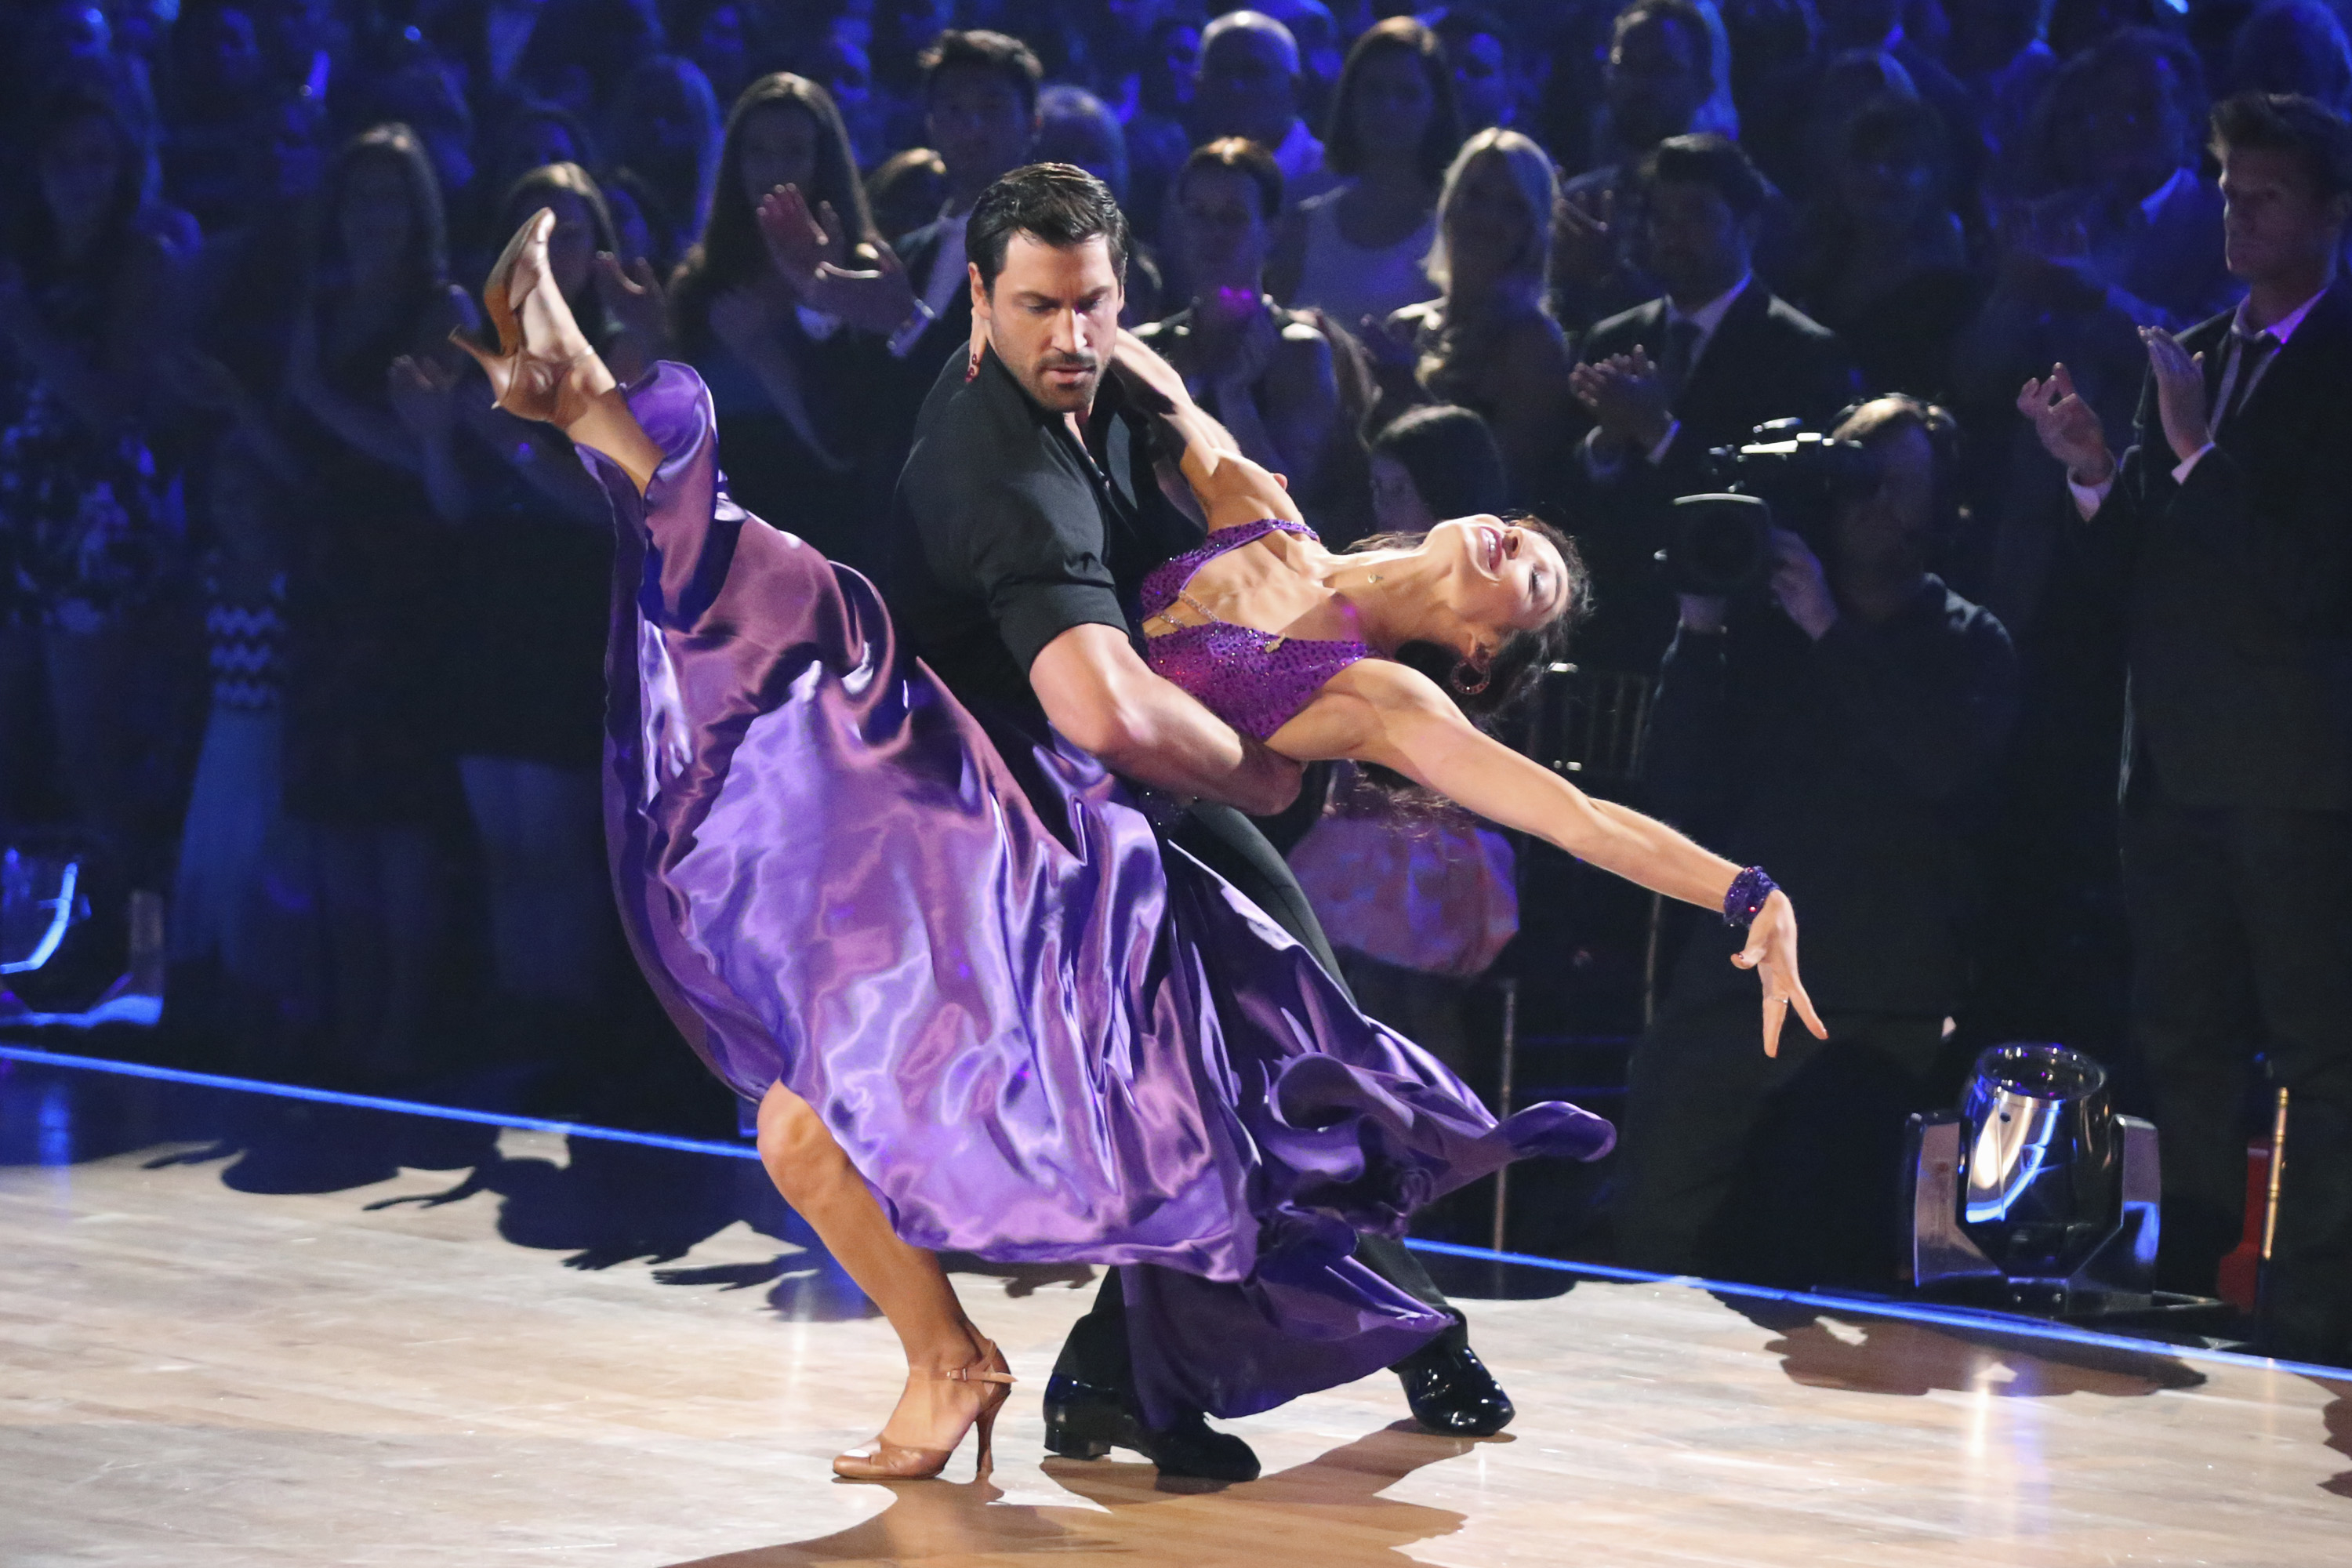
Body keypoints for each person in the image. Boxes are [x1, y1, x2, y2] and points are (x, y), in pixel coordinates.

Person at [450, 165, 1820, 1484]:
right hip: (986, 784)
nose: (1521, 552)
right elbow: (1149, 375)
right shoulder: (1264, 506)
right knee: (798, 1102)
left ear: (1479, 653)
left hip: (1072, 871)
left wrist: (1742, 894)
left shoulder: (1386, 697)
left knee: (809, 667)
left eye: (1534, 588)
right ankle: (952, 1361)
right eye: (1527, 535)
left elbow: (1571, 815)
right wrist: (1139, 378)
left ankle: (594, 411)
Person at [2015, 92, 2352, 1367]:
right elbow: (2142, 580)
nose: (2237, 212)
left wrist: (2200, 456)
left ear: (2334, 213)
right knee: (2186, 1028)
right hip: (2174, 759)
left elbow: (2311, 577)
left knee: (2321, 1048)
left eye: (2265, 193)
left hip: (2302, 776)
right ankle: (2205, 1267)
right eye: (2225, 188)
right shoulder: (2201, 351)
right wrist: (2098, 471)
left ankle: (2313, 1297)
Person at [1617, 394, 2017, 1290]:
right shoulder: (1767, 627)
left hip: (1880, 996)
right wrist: (1699, 629)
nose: (1871, 507)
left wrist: (1831, 632)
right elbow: (1676, 788)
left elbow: (1941, 768)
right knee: (1654, 1202)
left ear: (1941, 508)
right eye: (1856, 485)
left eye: (1895, 488)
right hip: (1745, 974)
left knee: (1824, 1234)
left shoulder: (1968, 640)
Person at [277, 122, 475, 1082]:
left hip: (402, 577)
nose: (372, 216)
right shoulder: (325, 306)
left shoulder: (437, 309)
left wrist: (315, 396)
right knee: (331, 808)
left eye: (391, 197)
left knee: (397, 811)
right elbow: (305, 458)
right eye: (358, 198)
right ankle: (345, 1014)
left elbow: (429, 463)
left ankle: (400, 1023)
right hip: (322, 575)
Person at [1569, 133, 1861, 675]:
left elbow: (1784, 508)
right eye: (1662, 218)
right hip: (1616, 636)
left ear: (1747, 226)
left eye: (1697, 216)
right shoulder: (1614, 337)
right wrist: (1606, 444)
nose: (1674, 235)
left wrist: (1658, 431)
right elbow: (1570, 497)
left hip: (1735, 648)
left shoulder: (1801, 351)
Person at [665, 73, 874, 570]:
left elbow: (846, 447)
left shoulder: (859, 271)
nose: (773, 170)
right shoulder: (703, 279)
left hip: (818, 534)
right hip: (714, 540)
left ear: (823, 164)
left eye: (793, 152)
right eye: (756, 152)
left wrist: (763, 352)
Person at [1136, 138, 1363, 541]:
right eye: (1198, 216)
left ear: (1271, 230)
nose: (1213, 233)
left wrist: (1235, 398)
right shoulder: (1149, 347)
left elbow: (1293, 508)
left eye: (1233, 217)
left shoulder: (1299, 349)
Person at [1370, 128, 1575, 510]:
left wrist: (1410, 396)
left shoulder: (1532, 343)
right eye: (1476, 196)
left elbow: (1502, 484)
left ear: (1533, 227)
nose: (1488, 217)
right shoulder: (1408, 326)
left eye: (1512, 206)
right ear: (1448, 205)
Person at [1268, 16, 1457, 334]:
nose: (1388, 107)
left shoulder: (1455, 227)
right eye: (1373, 90)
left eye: (1407, 93)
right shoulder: (1304, 227)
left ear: (1436, 107)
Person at [1791, 94, 1982, 406]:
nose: (1879, 174)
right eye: (1864, 161)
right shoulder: (1812, 269)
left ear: (1933, 178)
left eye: (1899, 162)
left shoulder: (1953, 292)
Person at [1552, 0, 1715, 333]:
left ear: (1703, 86)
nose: (1641, 85)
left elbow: (1713, 328)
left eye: (1663, 68)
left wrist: (1610, 276)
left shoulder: (1738, 204)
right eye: (1627, 66)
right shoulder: (1579, 202)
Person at [1193, 10, 1332, 204]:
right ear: (1199, 86)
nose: (1235, 87)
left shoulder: (1332, 181)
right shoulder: (1184, 185)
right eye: (1221, 71)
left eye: (1253, 71)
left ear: (1295, 88)